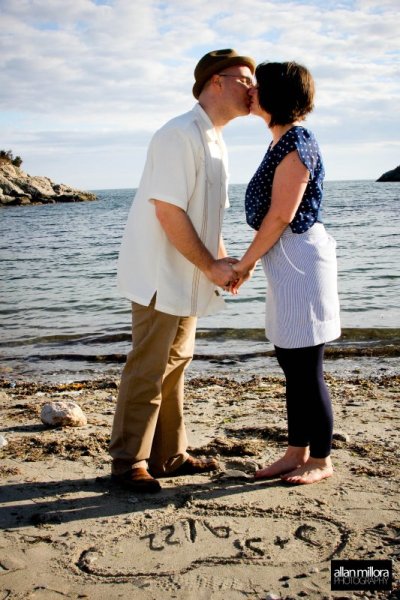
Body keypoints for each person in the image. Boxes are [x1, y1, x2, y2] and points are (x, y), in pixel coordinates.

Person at [109, 49, 256, 493]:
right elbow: (168, 210)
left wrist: (226, 262)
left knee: (177, 362)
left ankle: (169, 454)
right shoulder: (177, 134)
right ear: (215, 82)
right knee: (149, 366)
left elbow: (209, 214)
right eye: (245, 80)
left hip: (190, 272)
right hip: (159, 272)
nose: (253, 89)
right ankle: (128, 460)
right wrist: (209, 263)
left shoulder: (214, 138)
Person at [232, 61, 341, 485]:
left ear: (277, 95)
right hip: (286, 256)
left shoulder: (298, 140)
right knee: (289, 358)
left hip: (298, 254)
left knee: (305, 364)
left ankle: (321, 459)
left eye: (258, 86)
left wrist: (245, 263)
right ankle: (296, 452)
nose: (251, 92)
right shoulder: (283, 140)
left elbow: (281, 215)